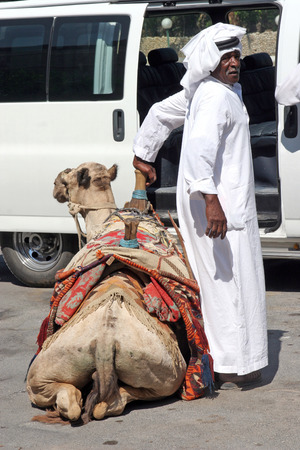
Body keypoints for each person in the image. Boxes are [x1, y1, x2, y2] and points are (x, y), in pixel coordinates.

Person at [133, 23, 268, 389]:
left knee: (227, 279)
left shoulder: (214, 91)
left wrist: (143, 154)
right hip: (220, 207)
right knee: (228, 281)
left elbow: (161, 112)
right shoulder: (213, 97)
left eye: (237, 55)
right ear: (210, 60)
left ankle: (235, 358)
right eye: (226, 56)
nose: (235, 62)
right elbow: (199, 153)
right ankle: (229, 363)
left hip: (226, 203)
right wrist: (212, 202)